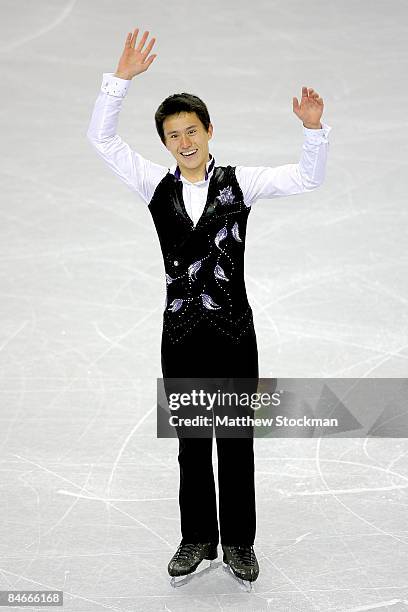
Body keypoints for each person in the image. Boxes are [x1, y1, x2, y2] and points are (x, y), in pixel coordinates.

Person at [86, 27, 331, 587]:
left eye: (192, 130)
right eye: (173, 135)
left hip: (234, 333)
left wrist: (314, 131)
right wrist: (118, 81)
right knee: (193, 443)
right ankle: (198, 536)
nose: (184, 141)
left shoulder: (239, 183)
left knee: (237, 441)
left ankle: (239, 543)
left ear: (208, 130)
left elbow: (306, 178)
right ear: (166, 143)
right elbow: (102, 142)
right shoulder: (153, 184)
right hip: (181, 335)